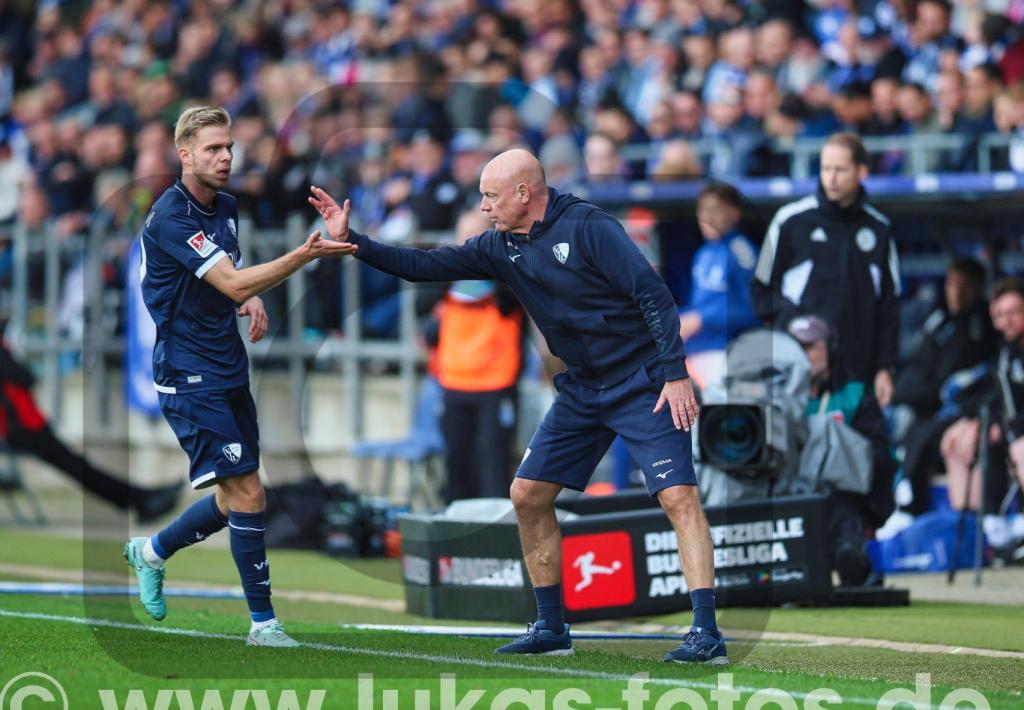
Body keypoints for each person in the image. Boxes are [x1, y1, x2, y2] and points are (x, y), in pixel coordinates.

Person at [309, 149, 727, 664]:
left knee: (678, 497)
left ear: (524, 193)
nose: (484, 206)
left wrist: (676, 374)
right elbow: (425, 265)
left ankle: (706, 632)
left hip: (643, 381)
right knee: (527, 495)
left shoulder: (591, 228)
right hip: (582, 389)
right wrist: (354, 242)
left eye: (490, 195)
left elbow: (655, 297)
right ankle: (552, 627)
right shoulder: (498, 246)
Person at [123, 106, 355, 646]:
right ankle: (263, 625)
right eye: (212, 149)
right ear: (185, 155)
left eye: (228, 147)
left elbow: (226, 279)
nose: (226, 157)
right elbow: (227, 280)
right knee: (250, 491)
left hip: (227, 364)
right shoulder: (171, 216)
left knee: (235, 497)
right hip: (187, 374)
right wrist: (304, 254)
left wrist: (247, 299)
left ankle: (152, 551)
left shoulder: (224, 206)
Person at [752, 132, 901, 407]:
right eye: (825, 168)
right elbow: (761, 290)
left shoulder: (880, 229)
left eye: (840, 170)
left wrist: (885, 368)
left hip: (858, 374)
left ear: (861, 172)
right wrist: (797, 326)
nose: (830, 178)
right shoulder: (790, 221)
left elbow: (889, 307)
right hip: (798, 374)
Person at [0, 334, 180, 521]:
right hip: (20, 427)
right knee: (76, 466)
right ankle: (140, 500)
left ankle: (140, 499)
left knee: (76, 465)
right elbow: (24, 377)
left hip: (23, 425)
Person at [788, 315, 894, 586]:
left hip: (842, 496)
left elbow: (882, 457)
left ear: (830, 348)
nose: (803, 355)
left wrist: (838, 449)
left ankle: (851, 555)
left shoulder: (856, 395)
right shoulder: (774, 401)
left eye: (811, 347)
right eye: (795, 348)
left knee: (838, 500)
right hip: (788, 496)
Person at [433, 210, 524, 503]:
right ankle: (456, 535)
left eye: (475, 236)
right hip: (454, 382)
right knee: (456, 462)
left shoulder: (508, 271)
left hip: (497, 383)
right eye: (463, 236)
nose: (467, 243)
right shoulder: (446, 275)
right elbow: (422, 304)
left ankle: (494, 537)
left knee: (493, 463)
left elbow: (515, 300)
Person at [895, 258, 998, 515]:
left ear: (977, 288)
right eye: (952, 284)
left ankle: (911, 506)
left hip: (956, 408)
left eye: (964, 285)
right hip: (918, 401)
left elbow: (946, 379)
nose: (956, 291)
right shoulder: (939, 318)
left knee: (926, 435)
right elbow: (917, 364)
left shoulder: (981, 326)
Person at [941, 278, 1024, 523]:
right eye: (999, 316)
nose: (1005, 322)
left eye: (1013, 313)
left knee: (1020, 448)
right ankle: (981, 525)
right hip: (1013, 429)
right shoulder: (1007, 352)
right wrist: (980, 422)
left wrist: (1009, 429)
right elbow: (999, 397)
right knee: (955, 439)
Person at [677, 181, 760, 389]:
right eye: (702, 210)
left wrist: (701, 319)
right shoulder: (703, 253)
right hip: (694, 351)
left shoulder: (742, 252)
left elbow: (754, 309)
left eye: (715, 210)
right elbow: (697, 306)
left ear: (734, 214)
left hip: (726, 352)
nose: (707, 217)